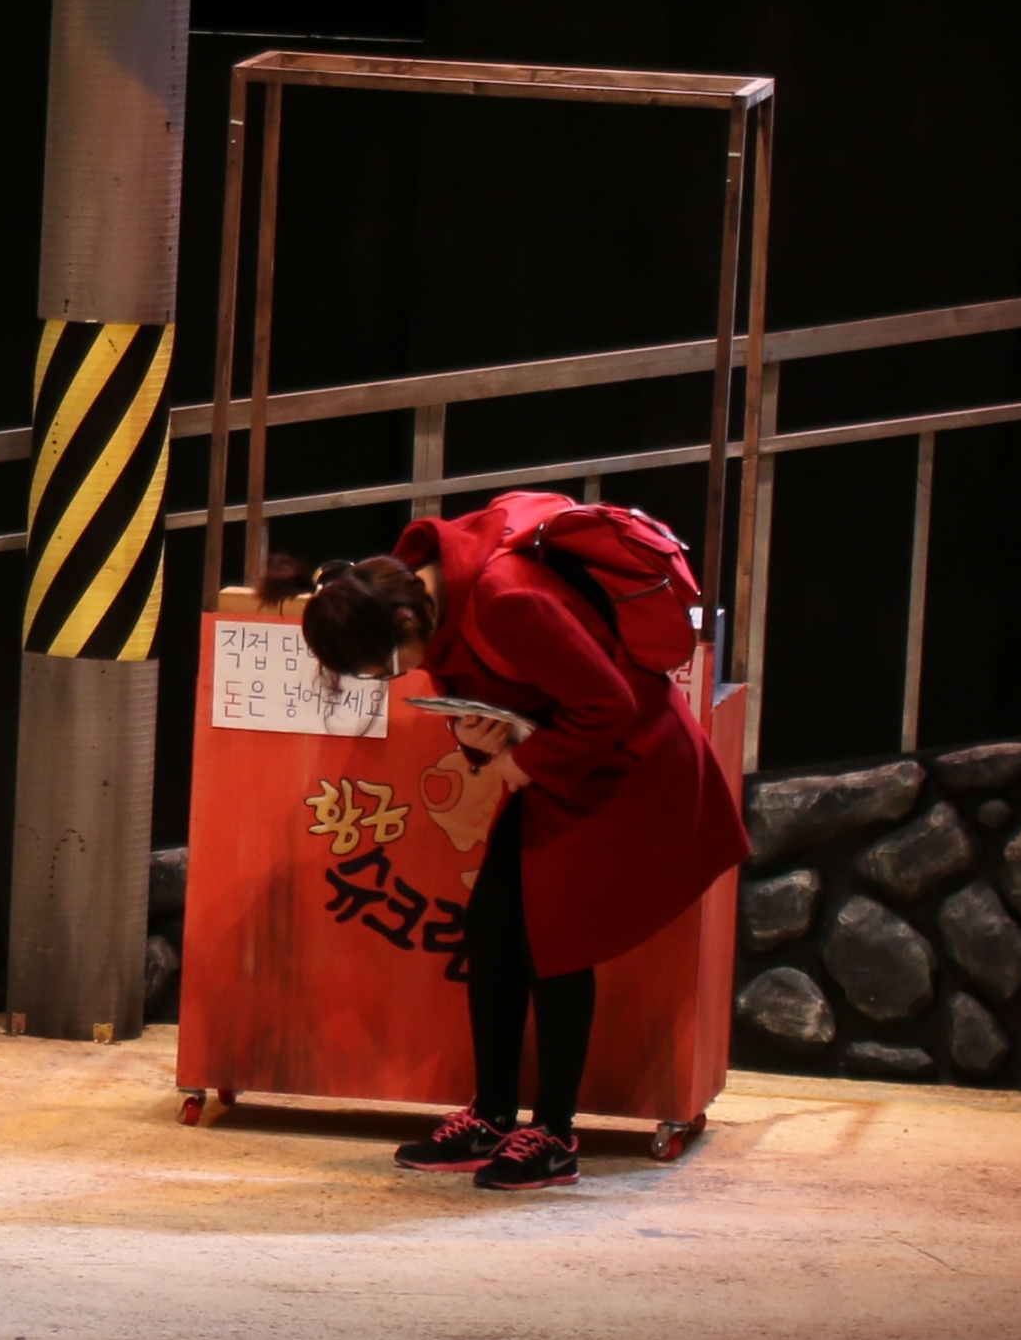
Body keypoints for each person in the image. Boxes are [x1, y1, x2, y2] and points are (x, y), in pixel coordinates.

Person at [283, 490, 748, 1191]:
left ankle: (554, 1135)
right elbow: (499, 697)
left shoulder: (502, 597)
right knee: (494, 928)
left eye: (387, 663)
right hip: (564, 764)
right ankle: (493, 1115)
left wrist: (521, 762)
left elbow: (609, 703)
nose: (399, 674)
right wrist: (479, 742)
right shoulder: (431, 596)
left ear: (404, 618)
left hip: (630, 762)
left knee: (555, 940)